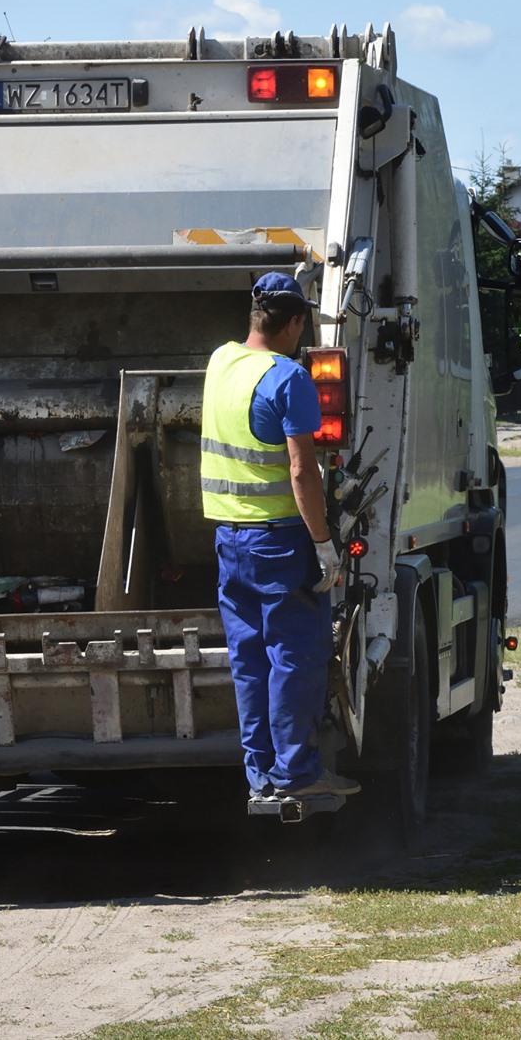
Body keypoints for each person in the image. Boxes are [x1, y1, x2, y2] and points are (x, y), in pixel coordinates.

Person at [200, 272, 359, 801]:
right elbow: (302, 470)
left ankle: (261, 776)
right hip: (281, 543)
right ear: (294, 322)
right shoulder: (287, 377)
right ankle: (299, 775)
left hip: (230, 540)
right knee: (295, 657)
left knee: (249, 661)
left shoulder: (220, 362)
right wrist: (323, 545)